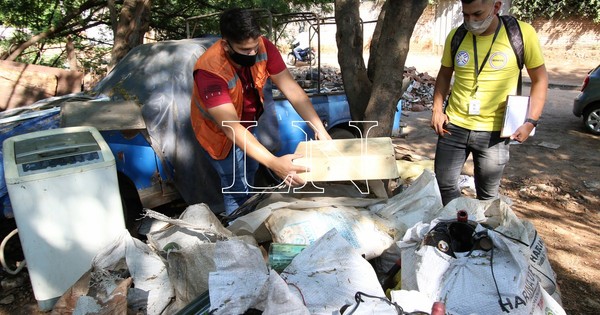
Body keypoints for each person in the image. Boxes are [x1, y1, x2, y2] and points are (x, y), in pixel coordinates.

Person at [190, 8, 331, 215]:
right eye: (244, 50)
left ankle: (251, 220)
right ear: (226, 44)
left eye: (254, 47)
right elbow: (231, 129)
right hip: (218, 134)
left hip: (248, 124)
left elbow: (291, 89)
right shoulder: (209, 71)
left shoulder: (263, 47)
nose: (253, 53)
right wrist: (275, 164)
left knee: (251, 173)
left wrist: (320, 129)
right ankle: (239, 233)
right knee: (236, 187)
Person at [430, 0, 548, 205]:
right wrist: (437, 109)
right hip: (454, 127)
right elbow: (444, 75)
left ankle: (481, 233)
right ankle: (456, 227)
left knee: (487, 195)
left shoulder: (521, 34)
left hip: (494, 132)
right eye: (465, 15)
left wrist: (530, 121)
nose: (470, 21)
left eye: (477, 14)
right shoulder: (457, 36)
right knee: (445, 184)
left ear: (496, 7)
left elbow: (540, 79)